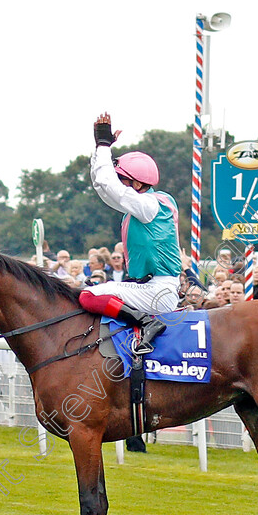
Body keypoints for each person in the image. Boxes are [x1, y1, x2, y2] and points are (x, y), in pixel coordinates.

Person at [78, 112, 182, 353]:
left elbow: (108, 184)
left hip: (158, 290)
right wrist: (100, 148)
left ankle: (147, 322)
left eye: (122, 178)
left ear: (138, 184)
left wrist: (104, 146)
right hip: (149, 286)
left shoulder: (149, 205)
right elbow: (102, 186)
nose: (118, 182)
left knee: (87, 297)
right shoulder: (141, 206)